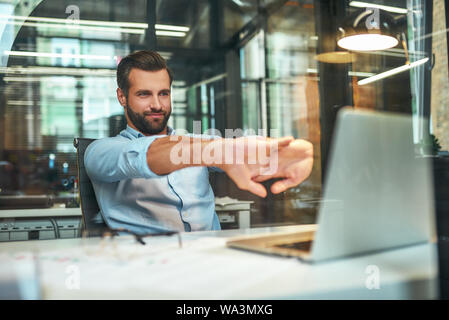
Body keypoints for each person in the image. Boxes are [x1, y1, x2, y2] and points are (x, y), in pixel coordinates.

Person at [85, 50, 314, 235]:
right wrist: (218, 152)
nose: (157, 104)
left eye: (163, 94)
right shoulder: (100, 152)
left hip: (213, 262)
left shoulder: (201, 144)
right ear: (122, 97)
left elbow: (242, 149)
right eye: (144, 94)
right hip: (149, 270)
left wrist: (289, 153)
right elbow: (147, 155)